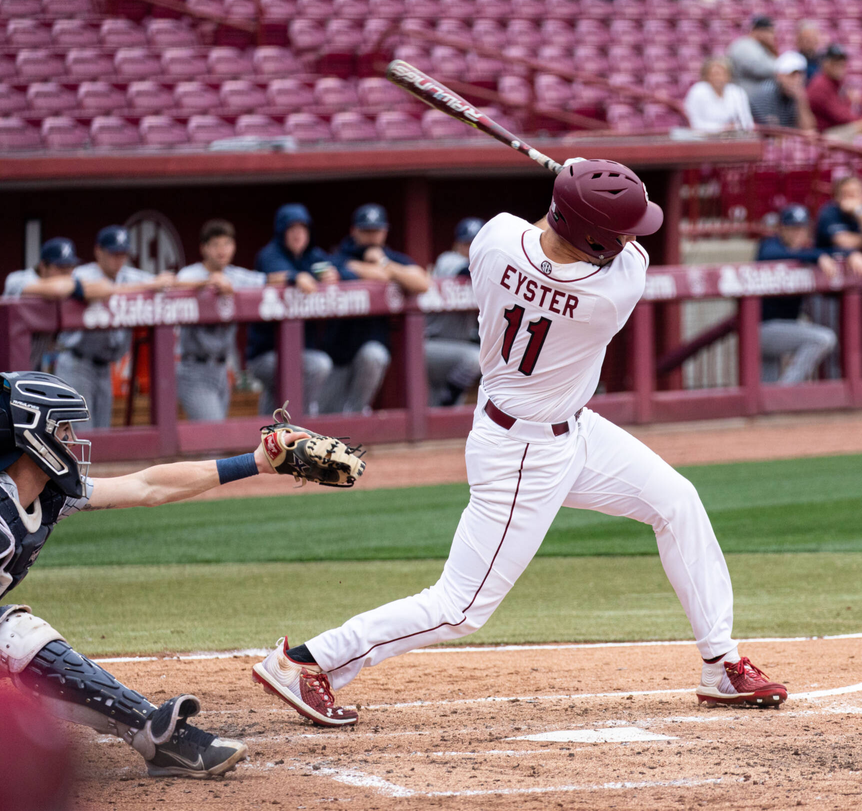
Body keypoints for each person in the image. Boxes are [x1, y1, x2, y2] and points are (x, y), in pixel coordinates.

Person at [251, 158, 789, 726]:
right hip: (522, 456)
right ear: (596, 240)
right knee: (459, 607)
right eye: (623, 230)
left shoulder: (494, 236)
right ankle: (307, 662)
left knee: (676, 502)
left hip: (569, 430)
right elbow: (621, 250)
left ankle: (719, 662)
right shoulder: (612, 292)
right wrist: (582, 190)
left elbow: (545, 232)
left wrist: (574, 192)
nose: (634, 237)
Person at [0, 370, 319, 777]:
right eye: (63, 429)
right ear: (34, 437)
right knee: (14, 634)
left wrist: (255, 462)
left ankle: (156, 735)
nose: (73, 440)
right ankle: (157, 735)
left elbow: (148, 486)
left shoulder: (48, 496)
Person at [55, 226, 174, 428]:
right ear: (98, 251)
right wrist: (147, 286)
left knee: (102, 435)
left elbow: (166, 281)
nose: (118, 260)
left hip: (104, 368)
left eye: (123, 254)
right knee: (82, 435)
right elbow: (101, 290)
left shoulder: (129, 276)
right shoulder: (81, 274)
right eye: (113, 254)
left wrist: (161, 280)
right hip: (76, 363)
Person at [322, 204, 431, 415]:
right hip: (337, 352)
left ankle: (358, 414)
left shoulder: (389, 258)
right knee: (323, 416)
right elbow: (333, 270)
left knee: (374, 356)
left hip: (371, 346)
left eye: (376, 231)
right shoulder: (338, 256)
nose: (372, 237)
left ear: (384, 231)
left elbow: (422, 283)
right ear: (354, 231)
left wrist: (384, 264)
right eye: (366, 231)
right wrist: (374, 271)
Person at [246, 203, 349, 416]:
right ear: (282, 232)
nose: (298, 235)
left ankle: (269, 433)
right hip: (265, 353)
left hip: (300, 349)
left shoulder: (313, 257)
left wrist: (335, 274)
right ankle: (301, 417)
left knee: (281, 391)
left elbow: (339, 268)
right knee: (316, 365)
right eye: (292, 229)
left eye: (303, 229)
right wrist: (296, 276)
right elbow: (276, 272)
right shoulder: (270, 254)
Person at [173, 220, 266, 422]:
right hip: (193, 367)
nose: (221, 250)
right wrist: (209, 284)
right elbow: (174, 284)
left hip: (222, 370)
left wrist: (298, 277)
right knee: (213, 436)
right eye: (215, 245)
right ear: (204, 248)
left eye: (226, 244)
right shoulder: (191, 274)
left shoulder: (235, 275)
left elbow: (268, 281)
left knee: (213, 440)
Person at [755, 204, 842, 385]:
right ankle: (785, 391)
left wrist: (853, 255)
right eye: (792, 228)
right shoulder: (770, 245)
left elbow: (832, 252)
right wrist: (816, 257)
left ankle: (776, 397)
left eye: (801, 228)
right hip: (761, 329)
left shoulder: (805, 252)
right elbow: (771, 255)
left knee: (766, 388)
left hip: (782, 329)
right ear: (781, 229)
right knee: (823, 339)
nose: (797, 233)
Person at [3, 239, 116, 369]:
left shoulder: (69, 285)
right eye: (61, 267)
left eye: (70, 267)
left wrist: (76, 287)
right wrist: (76, 285)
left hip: (29, 364)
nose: (67, 273)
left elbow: (106, 288)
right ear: (43, 266)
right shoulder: (17, 279)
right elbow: (56, 289)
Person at [426, 218, 484, 407]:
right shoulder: (448, 260)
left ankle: (446, 407)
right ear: (456, 244)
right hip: (430, 345)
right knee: (475, 358)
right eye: (467, 243)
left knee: (435, 413)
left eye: (477, 242)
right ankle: (447, 404)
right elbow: (466, 271)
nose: (472, 248)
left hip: (455, 350)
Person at [805, 44, 862, 140]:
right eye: (835, 62)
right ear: (826, 63)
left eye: (842, 62)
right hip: (824, 135)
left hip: (836, 129)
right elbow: (841, 117)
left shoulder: (837, 84)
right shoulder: (820, 86)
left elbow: (844, 113)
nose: (840, 65)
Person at [814, 175, 862, 254]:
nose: (852, 198)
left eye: (855, 193)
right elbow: (844, 243)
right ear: (837, 197)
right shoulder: (828, 213)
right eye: (847, 194)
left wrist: (860, 212)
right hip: (834, 261)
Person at [748, 50, 816, 131]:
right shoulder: (765, 94)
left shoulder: (797, 95)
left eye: (800, 75)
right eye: (791, 75)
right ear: (778, 76)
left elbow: (809, 129)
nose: (797, 80)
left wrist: (801, 101)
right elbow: (773, 131)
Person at [684, 57, 755, 133]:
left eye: (722, 74)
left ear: (729, 76)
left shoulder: (737, 92)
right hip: (704, 139)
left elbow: (747, 122)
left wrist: (736, 127)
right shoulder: (697, 91)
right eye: (714, 74)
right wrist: (722, 128)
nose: (718, 78)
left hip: (734, 137)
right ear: (706, 76)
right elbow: (694, 123)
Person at [727, 15, 778, 98]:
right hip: (745, 95)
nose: (772, 36)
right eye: (770, 32)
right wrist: (781, 68)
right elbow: (759, 68)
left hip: (755, 97)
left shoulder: (758, 46)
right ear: (759, 31)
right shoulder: (744, 45)